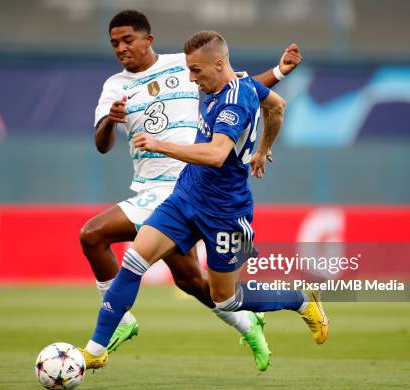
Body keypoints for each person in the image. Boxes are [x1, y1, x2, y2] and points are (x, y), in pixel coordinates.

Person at [81, 31, 329, 371]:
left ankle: (298, 300)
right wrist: (263, 149)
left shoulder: (234, 101)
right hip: (185, 196)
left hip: (225, 212)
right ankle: (95, 349)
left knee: (225, 298)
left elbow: (215, 154)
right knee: (134, 261)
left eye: (196, 71)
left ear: (218, 63)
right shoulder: (231, 84)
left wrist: (160, 144)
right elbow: (276, 105)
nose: (190, 78)